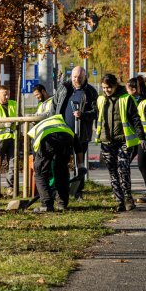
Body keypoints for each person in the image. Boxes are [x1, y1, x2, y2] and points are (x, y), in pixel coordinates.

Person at [96, 73, 145, 212]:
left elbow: (135, 118)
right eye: (104, 88)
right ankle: (119, 201)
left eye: (109, 88)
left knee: (123, 169)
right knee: (112, 172)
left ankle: (128, 198)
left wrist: (141, 137)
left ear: (115, 85)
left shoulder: (126, 99)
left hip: (123, 140)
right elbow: (95, 114)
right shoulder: (100, 100)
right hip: (106, 141)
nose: (106, 90)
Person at [50, 66, 98, 198]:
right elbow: (54, 107)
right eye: (74, 77)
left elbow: (95, 112)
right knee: (61, 162)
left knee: (79, 164)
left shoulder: (90, 92)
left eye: (80, 78)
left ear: (85, 77)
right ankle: (61, 189)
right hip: (63, 133)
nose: (77, 80)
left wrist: (83, 115)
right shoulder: (64, 88)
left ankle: (78, 191)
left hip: (81, 135)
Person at [27, 114, 74, 213]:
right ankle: (62, 204)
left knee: (39, 173)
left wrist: (38, 166)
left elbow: (36, 153)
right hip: (66, 139)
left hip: (47, 140)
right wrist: (81, 165)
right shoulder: (62, 124)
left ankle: (46, 205)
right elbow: (78, 147)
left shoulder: (36, 129)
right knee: (61, 171)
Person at [0, 85, 18, 195]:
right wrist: (4, 124)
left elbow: (19, 117)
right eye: (4, 95)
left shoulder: (14, 104)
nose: (7, 96)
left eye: (8, 94)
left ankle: (10, 187)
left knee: (13, 163)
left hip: (12, 138)